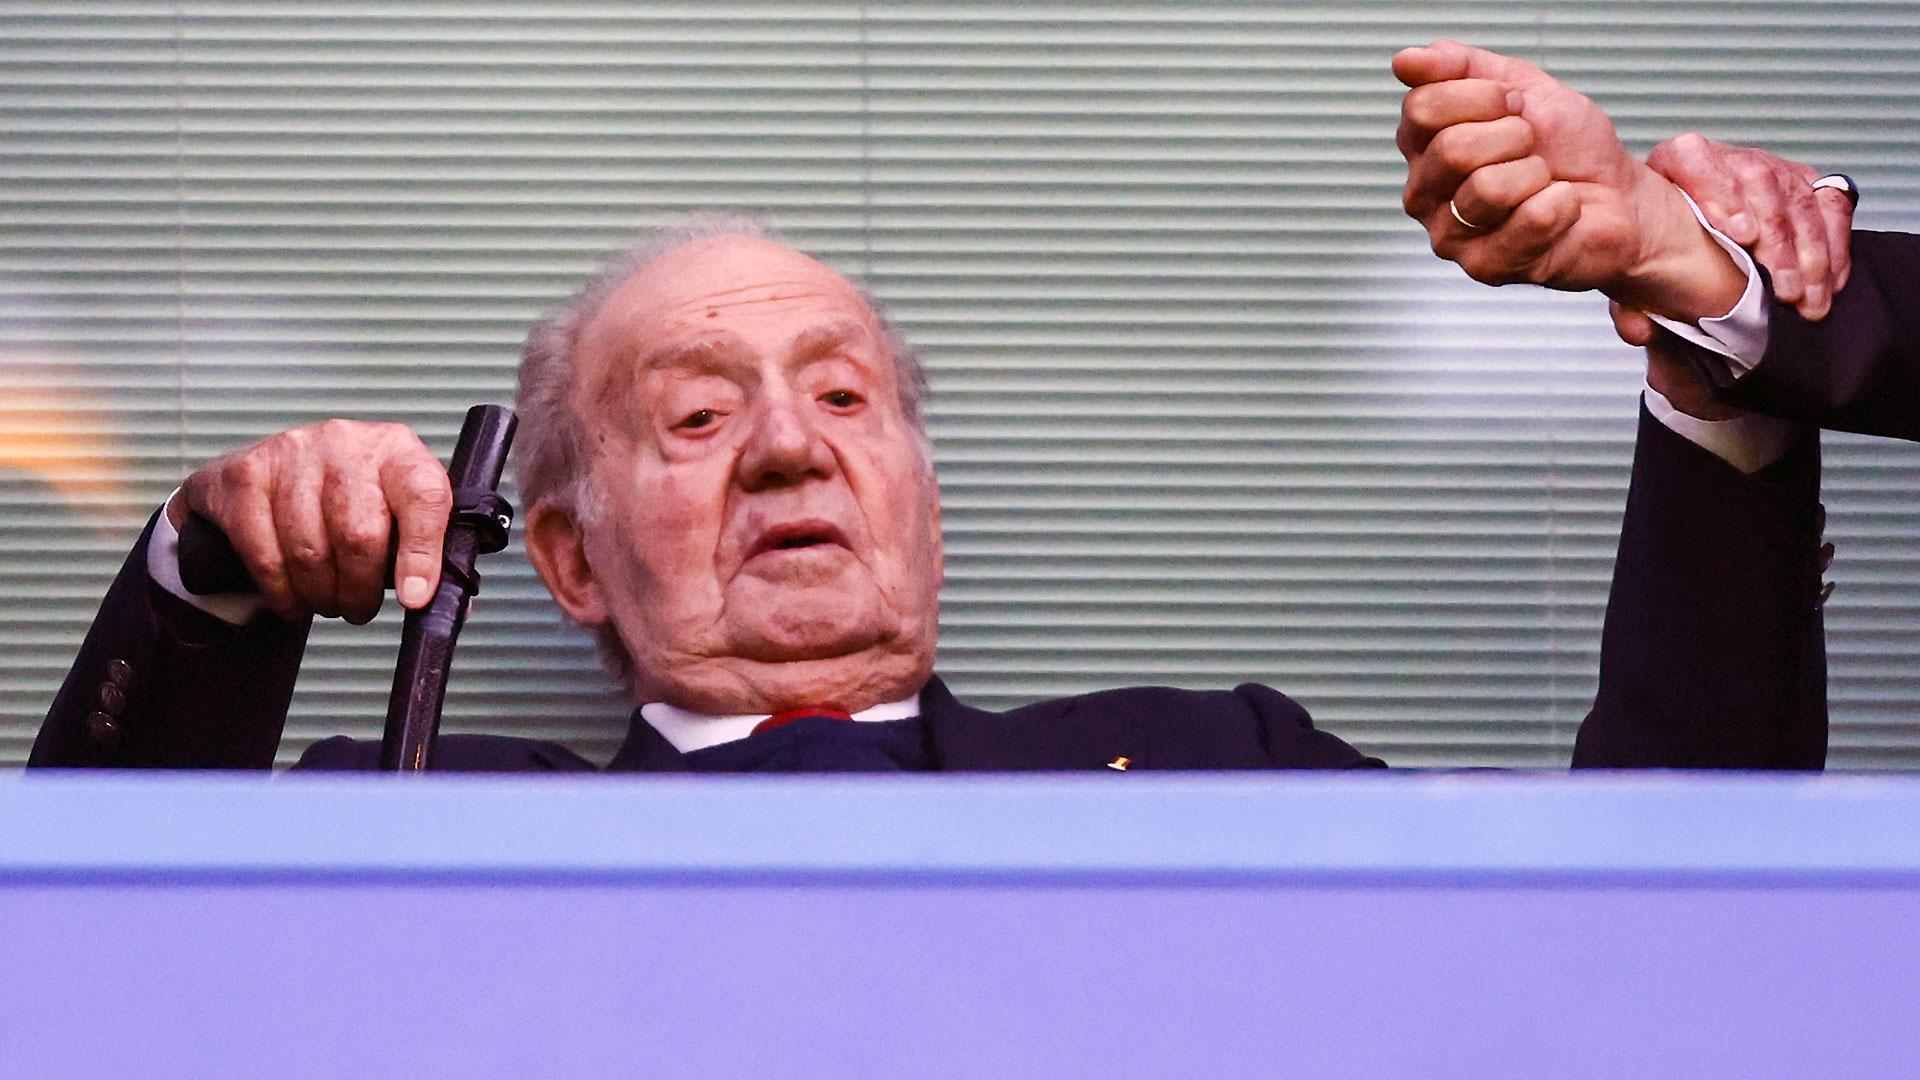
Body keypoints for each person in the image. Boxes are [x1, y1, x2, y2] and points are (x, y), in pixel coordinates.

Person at [29, 43, 1842, 772]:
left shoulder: (1223, 771)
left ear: (922, 489)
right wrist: (217, 576)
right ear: (564, 560)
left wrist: (1713, 364)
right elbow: (88, 989)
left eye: (843, 396)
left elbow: (1679, 884)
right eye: (694, 419)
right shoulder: (412, 810)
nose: (797, 446)